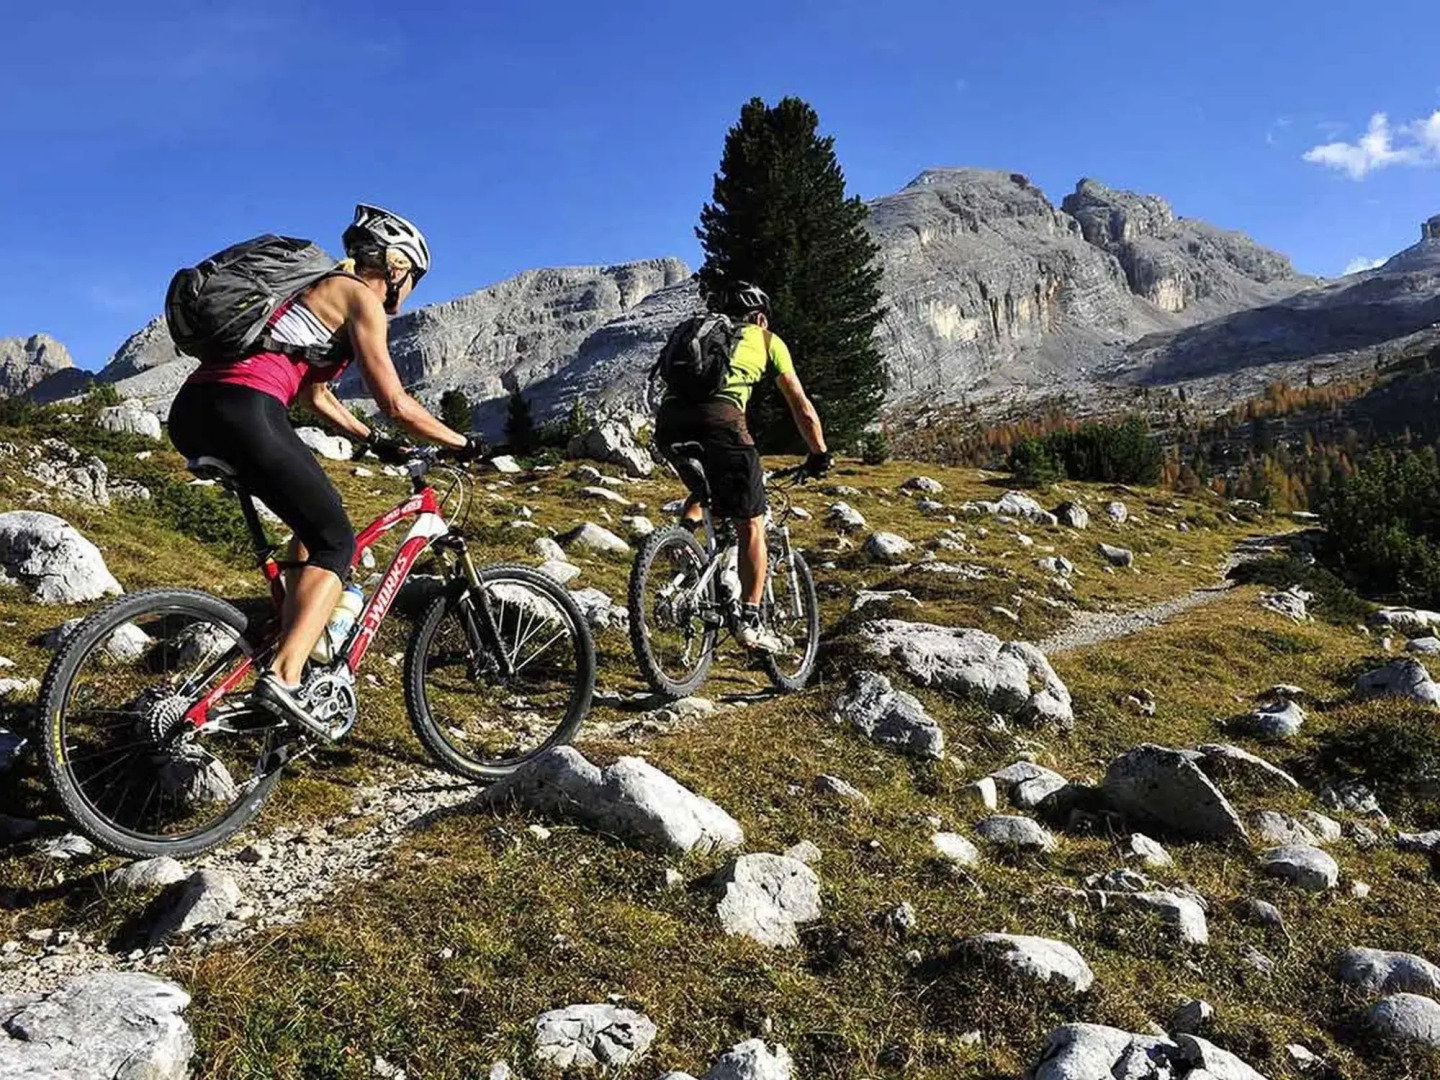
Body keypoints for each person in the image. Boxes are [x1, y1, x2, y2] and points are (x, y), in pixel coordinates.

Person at [168, 204, 481, 735]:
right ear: (398, 266)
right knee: (337, 542)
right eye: (415, 278)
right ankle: (285, 678)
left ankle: (295, 640)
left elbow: (315, 394)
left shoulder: (309, 294)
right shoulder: (359, 294)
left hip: (194, 410)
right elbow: (396, 401)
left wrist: (374, 443)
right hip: (247, 408)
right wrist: (461, 443)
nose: (410, 292)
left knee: (308, 534)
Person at [654, 281, 832, 652]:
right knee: (751, 521)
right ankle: (750, 621)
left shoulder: (699, 334)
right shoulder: (767, 340)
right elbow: (799, 404)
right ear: (761, 317)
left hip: (668, 425)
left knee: (706, 489)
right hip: (722, 423)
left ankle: (683, 542)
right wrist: (818, 453)